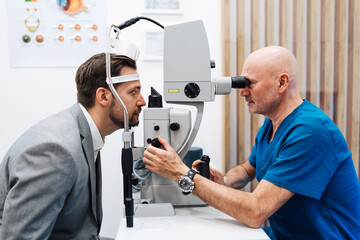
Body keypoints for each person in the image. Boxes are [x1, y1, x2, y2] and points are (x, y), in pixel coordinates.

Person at [143, 46, 360, 239]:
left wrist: (181, 173)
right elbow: (248, 170)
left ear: (282, 82)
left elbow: (256, 211)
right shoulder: (272, 124)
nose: (243, 92)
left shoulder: (309, 131)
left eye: (250, 84)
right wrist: (223, 180)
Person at [0, 53, 146, 239]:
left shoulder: (83, 135)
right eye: (133, 92)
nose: (142, 101)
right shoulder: (55, 151)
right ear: (103, 96)